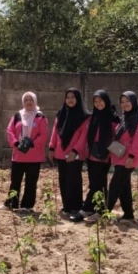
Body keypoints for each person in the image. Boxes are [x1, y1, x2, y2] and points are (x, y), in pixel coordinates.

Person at [105, 91, 138, 221]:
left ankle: (104, 213)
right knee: (124, 186)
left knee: (115, 185)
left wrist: (131, 157)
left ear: (134, 102)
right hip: (120, 156)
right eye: (122, 102)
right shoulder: (124, 118)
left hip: (129, 158)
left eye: (127, 101)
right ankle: (128, 214)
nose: (125, 104)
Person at [48, 88, 89, 221]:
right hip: (60, 152)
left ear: (78, 99)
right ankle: (66, 206)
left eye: (73, 97)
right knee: (63, 179)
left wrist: (75, 151)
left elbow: (83, 137)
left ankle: (76, 207)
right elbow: (55, 131)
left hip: (75, 154)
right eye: (68, 97)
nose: (70, 100)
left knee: (74, 179)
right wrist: (51, 147)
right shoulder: (61, 114)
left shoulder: (84, 116)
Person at [79, 90, 119, 221]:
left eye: (100, 101)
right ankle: (95, 209)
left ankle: (88, 209)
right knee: (95, 183)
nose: (98, 104)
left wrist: (109, 152)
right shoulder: (93, 117)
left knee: (98, 183)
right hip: (92, 154)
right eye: (95, 101)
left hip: (104, 155)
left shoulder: (113, 117)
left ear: (106, 101)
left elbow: (116, 137)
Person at [4, 91, 48, 212]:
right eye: (26, 100)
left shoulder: (40, 117)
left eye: (31, 100)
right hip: (18, 154)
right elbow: (10, 130)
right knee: (15, 181)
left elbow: (44, 134)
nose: (28, 102)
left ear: (35, 101)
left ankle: (27, 206)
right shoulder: (17, 115)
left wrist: (33, 144)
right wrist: (15, 143)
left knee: (31, 182)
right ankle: (11, 203)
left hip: (34, 156)